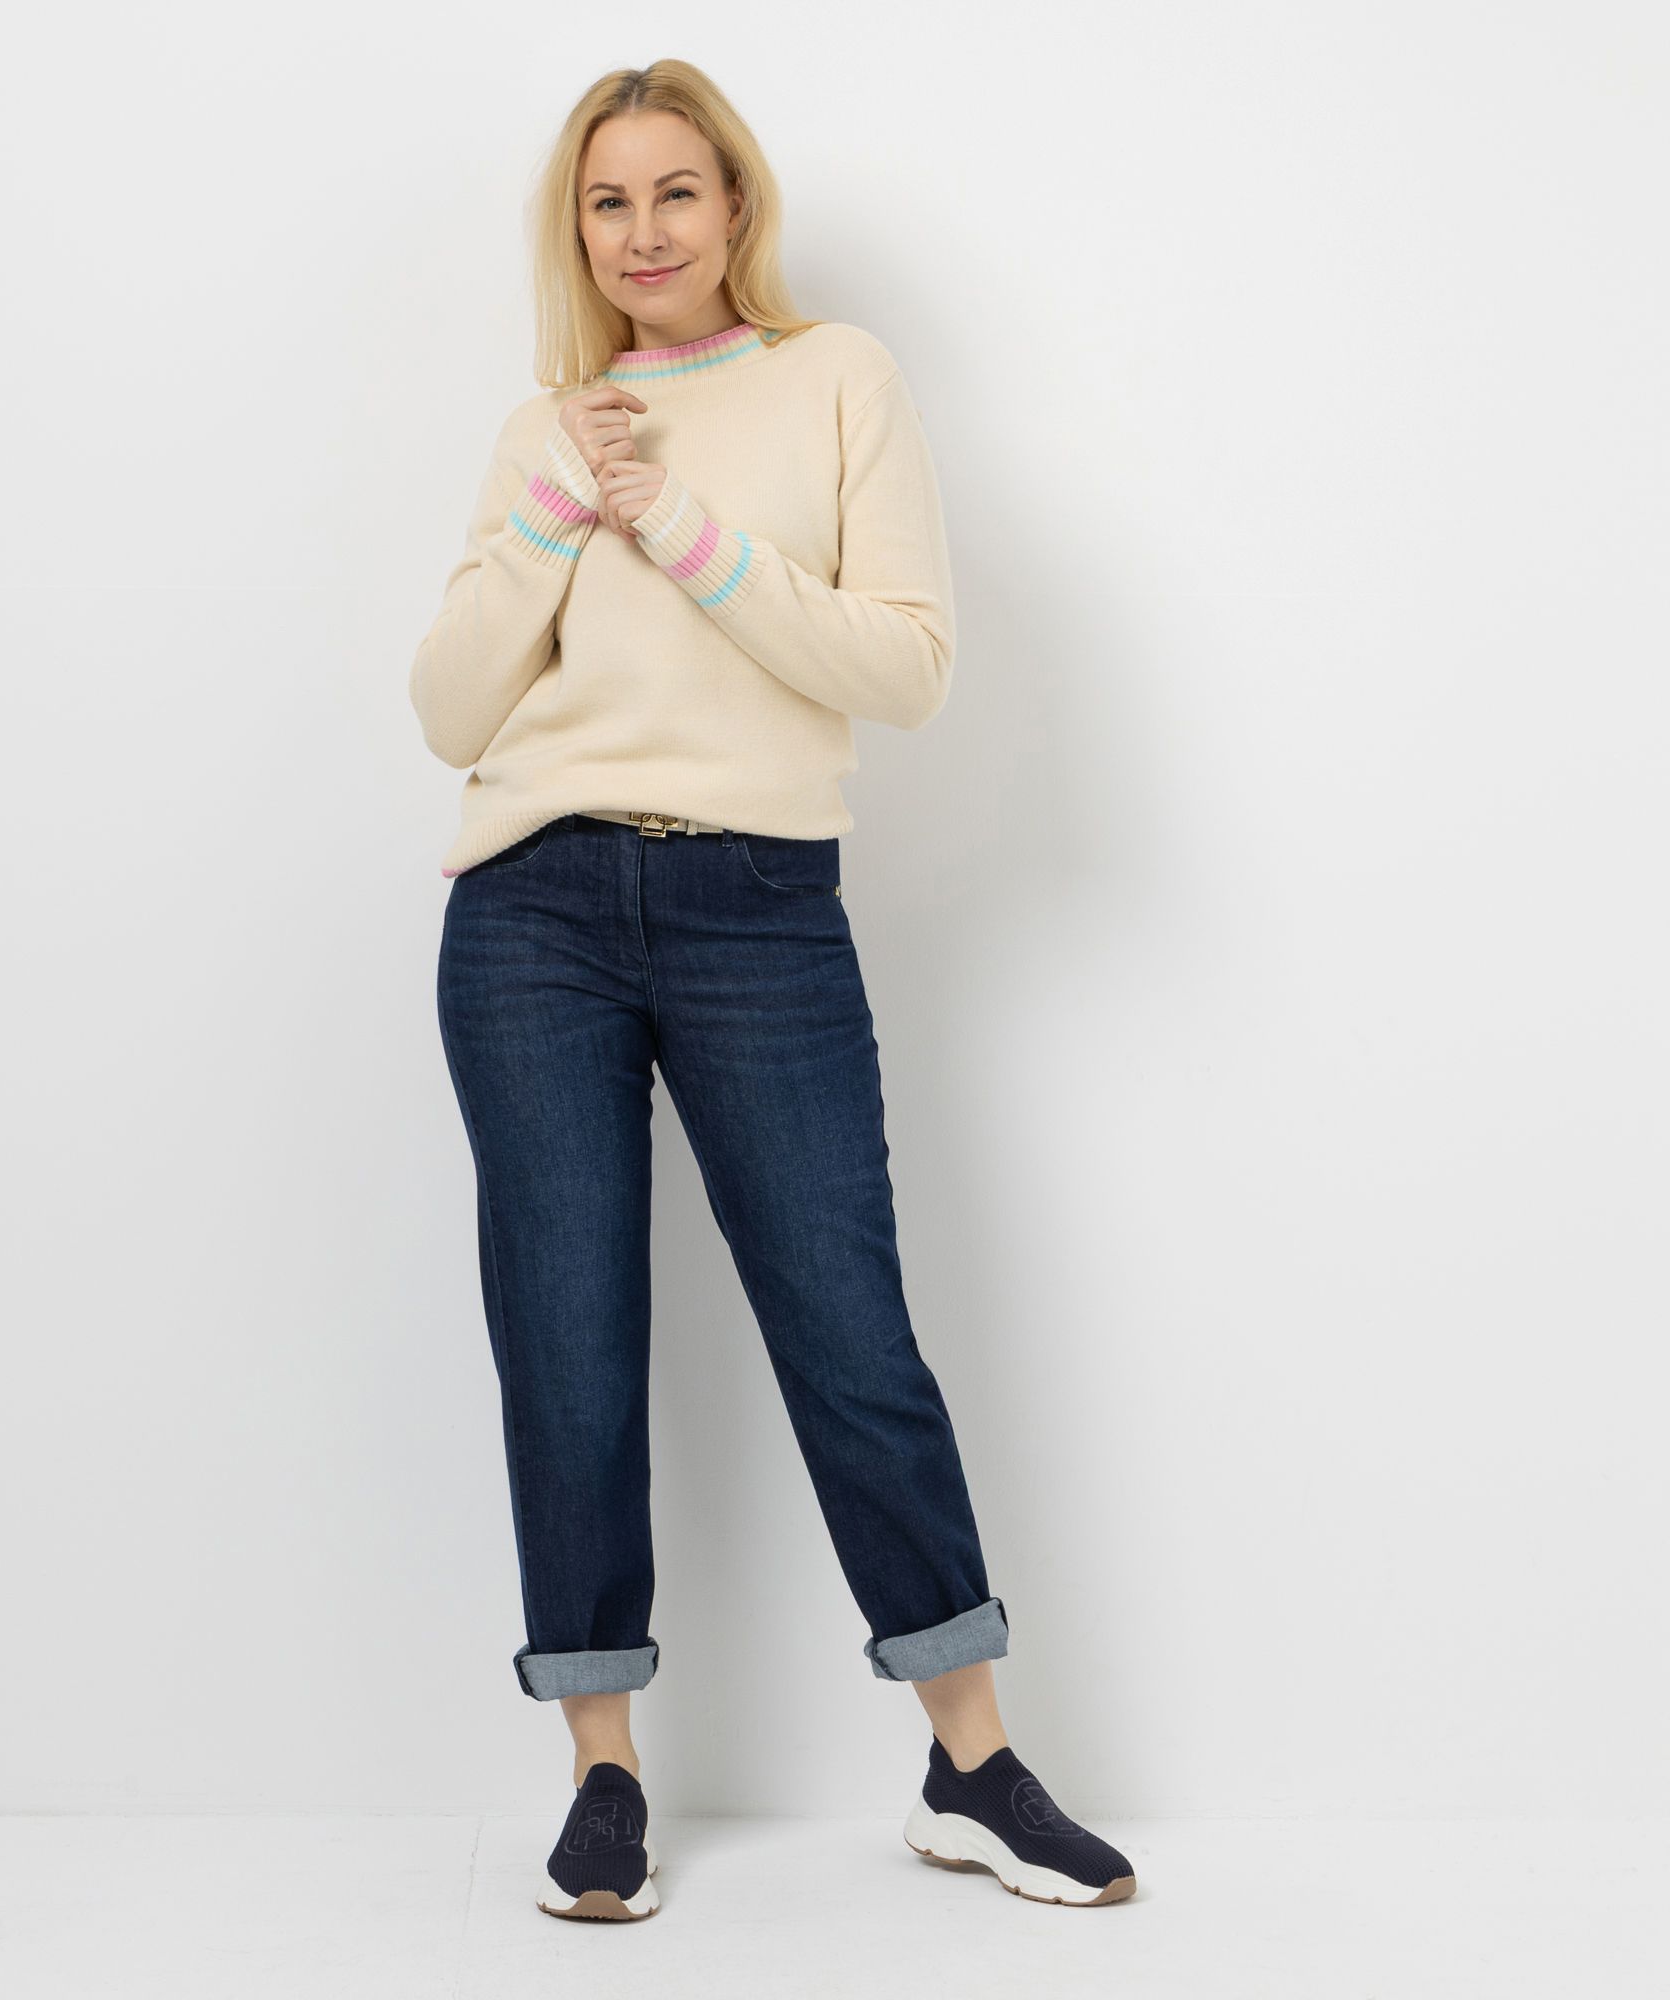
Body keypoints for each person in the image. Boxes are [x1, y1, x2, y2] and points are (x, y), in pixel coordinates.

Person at [409, 59, 1137, 1921]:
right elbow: (449, 707)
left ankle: (971, 1762)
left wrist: (681, 529)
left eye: (677, 191)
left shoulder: (837, 380)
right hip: (536, 913)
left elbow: (903, 668)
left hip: (758, 911)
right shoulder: (546, 428)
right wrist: (563, 508)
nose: (643, 231)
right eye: (607, 201)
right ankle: (602, 1775)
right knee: (567, 1341)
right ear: (576, 231)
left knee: (848, 1327)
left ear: (736, 204)